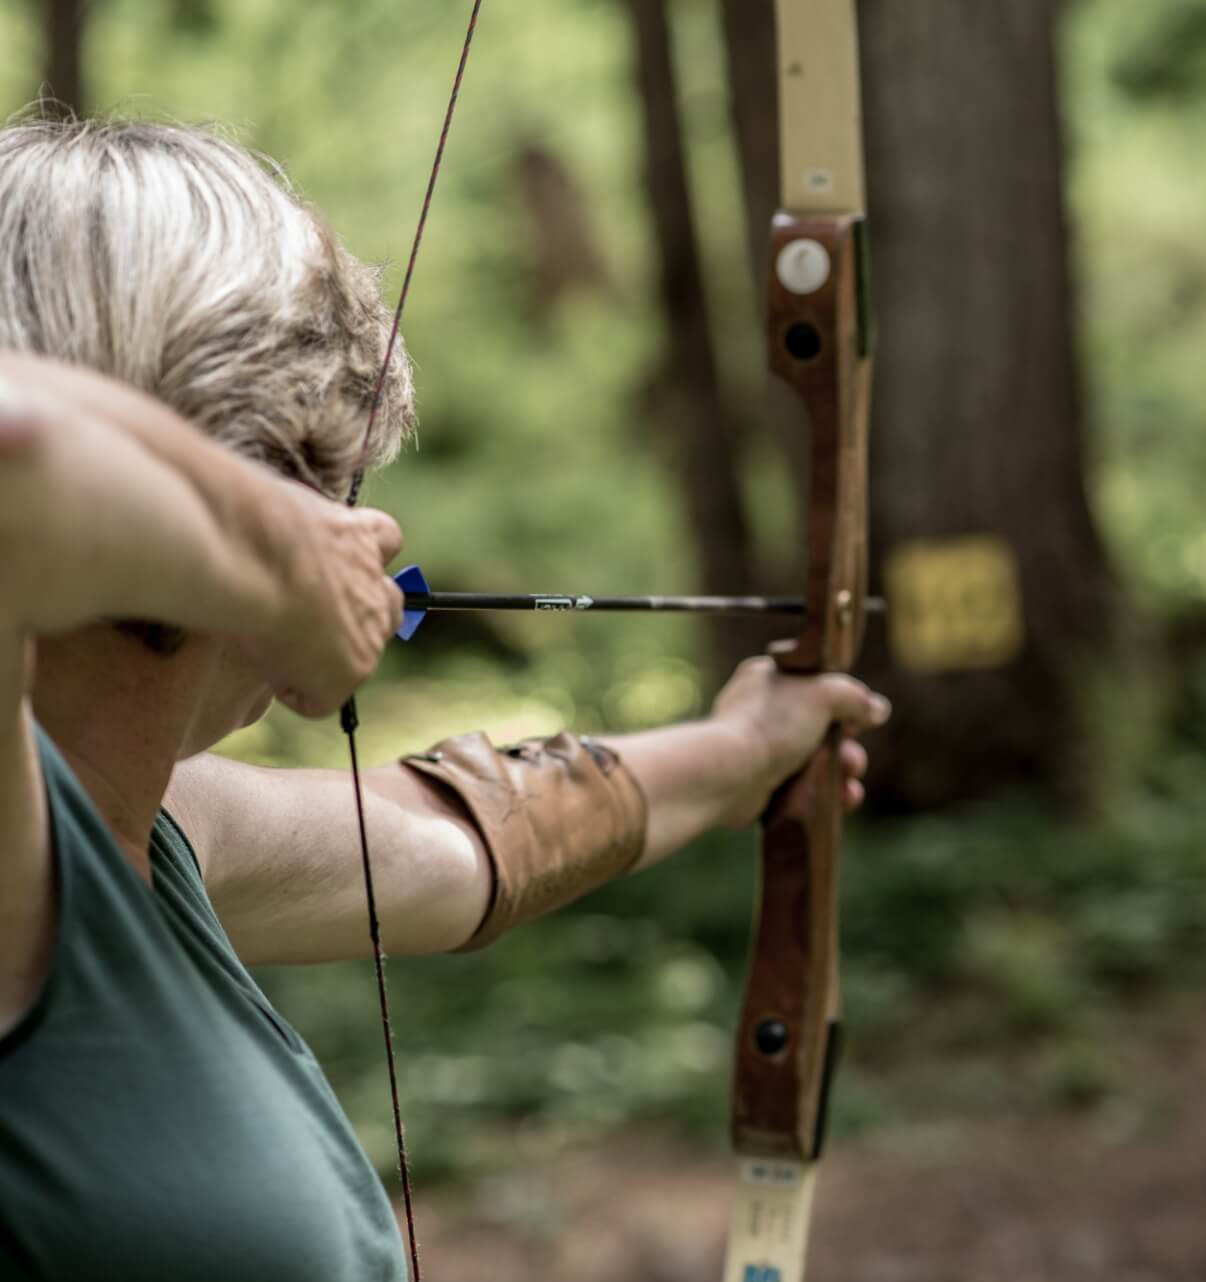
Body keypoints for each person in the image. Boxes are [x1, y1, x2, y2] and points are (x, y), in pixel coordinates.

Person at [0, 119, 888, 1281]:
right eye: (326, 472)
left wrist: (742, 753)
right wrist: (287, 567)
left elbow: (455, 842)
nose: (362, 522)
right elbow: (18, 449)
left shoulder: (153, 833)